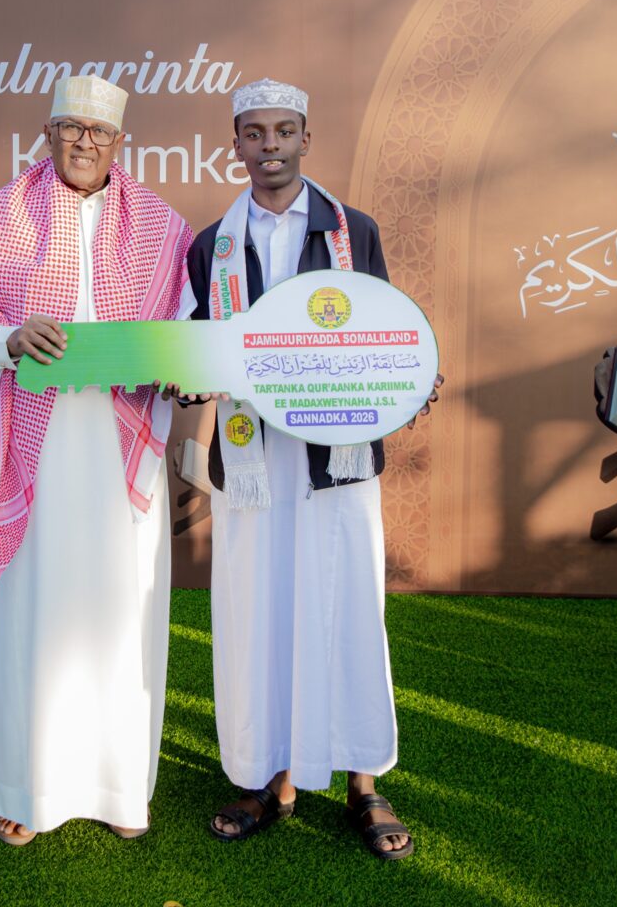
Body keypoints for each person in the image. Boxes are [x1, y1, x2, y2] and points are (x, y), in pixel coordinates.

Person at [0, 76, 193, 845]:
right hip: (29, 444)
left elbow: (184, 324)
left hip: (119, 445)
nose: (84, 143)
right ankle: (24, 785)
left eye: (98, 132)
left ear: (120, 143)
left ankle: (118, 788)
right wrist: (6, 340)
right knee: (30, 612)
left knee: (121, 610)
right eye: (70, 128)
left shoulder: (161, 226)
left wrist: (176, 362)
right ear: (46, 134)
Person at [186, 78, 441, 860]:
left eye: (283, 130)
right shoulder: (209, 245)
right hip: (252, 459)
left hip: (337, 456)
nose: (269, 146)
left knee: (348, 606)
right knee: (256, 613)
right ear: (235, 143)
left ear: (305, 138)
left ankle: (363, 780)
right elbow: (199, 342)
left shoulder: (351, 231)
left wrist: (410, 379)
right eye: (253, 132)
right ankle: (271, 777)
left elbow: (385, 325)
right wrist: (186, 372)